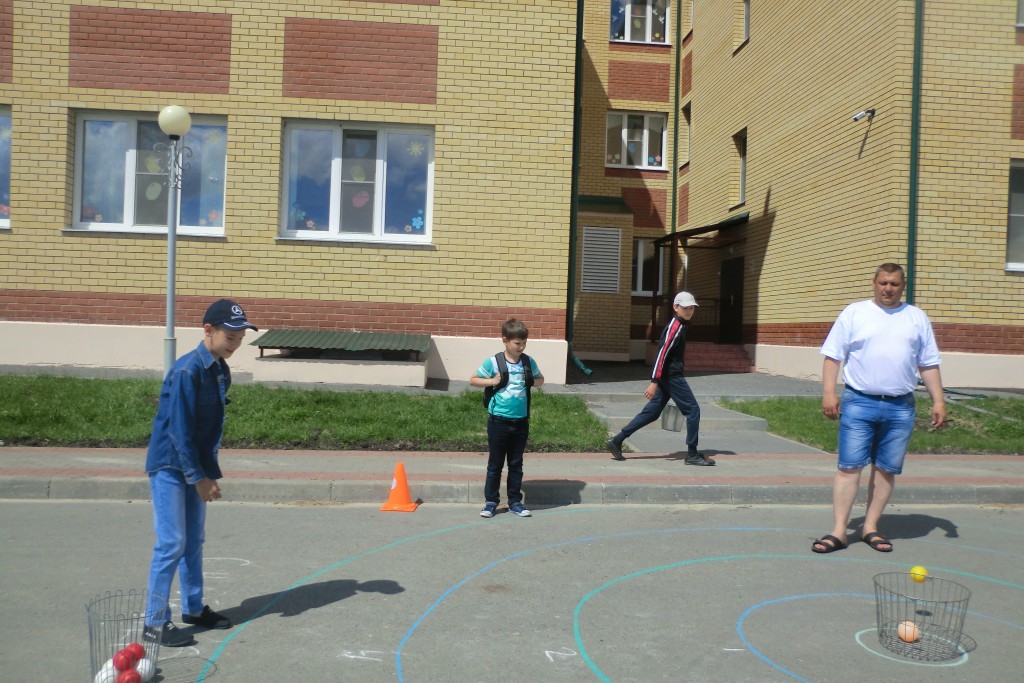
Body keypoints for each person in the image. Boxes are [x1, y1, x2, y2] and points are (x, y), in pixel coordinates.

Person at [143, 299, 258, 646]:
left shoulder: (220, 370)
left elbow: (208, 430)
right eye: (230, 337)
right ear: (208, 330)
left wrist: (207, 473)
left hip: (195, 465)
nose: (235, 344)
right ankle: (154, 622)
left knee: (194, 540)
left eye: (240, 338)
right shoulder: (187, 371)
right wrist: (200, 478)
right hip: (169, 465)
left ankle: (193, 608)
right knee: (172, 543)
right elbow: (179, 431)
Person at [812, 263, 946, 554]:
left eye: (894, 284)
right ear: (874, 283)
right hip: (859, 402)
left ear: (903, 286)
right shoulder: (855, 313)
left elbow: (928, 363)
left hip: (900, 406)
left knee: (886, 470)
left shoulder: (916, 317)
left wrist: (938, 400)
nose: (888, 289)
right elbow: (833, 356)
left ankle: (870, 527)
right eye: (883, 282)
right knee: (849, 467)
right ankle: (839, 531)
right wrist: (828, 393)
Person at [605, 291, 714, 466]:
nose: (689, 311)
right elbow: (661, 354)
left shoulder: (680, 325)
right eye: (685, 307)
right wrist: (654, 382)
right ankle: (692, 454)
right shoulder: (675, 327)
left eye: (691, 308)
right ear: (676, 307)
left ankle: (617, 440)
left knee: (652, 412)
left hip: (667, 376)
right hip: (672, 377)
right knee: (693, 411)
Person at [470, 318, 545, 518]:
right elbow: (473, 380)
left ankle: (514, 502)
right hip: (498, 421)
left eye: (524, 343)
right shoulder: (494, 362)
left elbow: (540, 379)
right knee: (495, 464)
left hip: (521, 421)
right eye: (517, 343)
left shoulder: (528, 362)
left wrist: (533, 381)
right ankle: (490, 502)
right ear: (505, 340)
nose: (521, 347)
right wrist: (492, 381)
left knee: (516, 464)